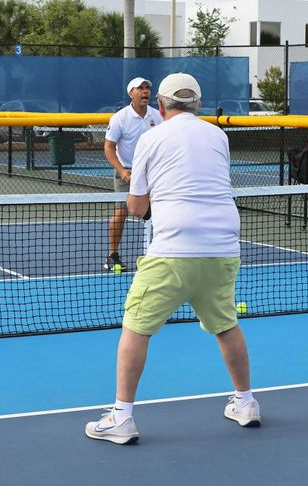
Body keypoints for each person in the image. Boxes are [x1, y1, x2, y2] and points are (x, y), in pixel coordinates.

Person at [85, 73, 259, 444]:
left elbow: (135, 206)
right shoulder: (219, 135)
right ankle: (245, 402)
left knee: (135, 326)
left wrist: (150, 207)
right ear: (197, 105)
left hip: (175, 248)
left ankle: (121, 417)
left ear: (160, 106)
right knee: (226, 323)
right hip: (223, 244)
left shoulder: (151, 137)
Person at [103, 76, 162, 271]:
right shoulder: (120, 118)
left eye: (147, 88)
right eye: (140, 88)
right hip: (127, 171)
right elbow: (109, 147)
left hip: (153, 172)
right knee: (121, 212)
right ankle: (112, 256)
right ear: (131, 94)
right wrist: (121, 171)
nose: (145, 91)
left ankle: (160, 254)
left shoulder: (157, 115)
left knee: (162, 211)